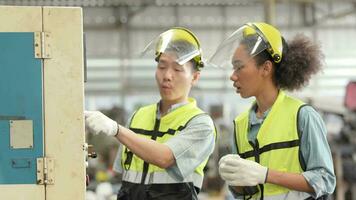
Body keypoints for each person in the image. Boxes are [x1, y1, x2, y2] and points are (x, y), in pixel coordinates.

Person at [85, 27, 216, 200]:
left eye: (177, 69)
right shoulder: (138, 116)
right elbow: (120, 171)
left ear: (195, 77)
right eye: (162, 66)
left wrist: (117, 129)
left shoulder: (200, 124)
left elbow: (165, 157)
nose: (167, 75)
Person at [208, 22, 336, 199]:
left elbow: (325, 180)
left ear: (266, 68)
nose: (233, 75)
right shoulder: (240, 125)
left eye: (239, 66)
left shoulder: (302, 116)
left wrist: (266, 174)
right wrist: (234, 180)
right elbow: (245, 194)